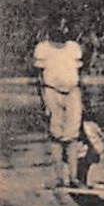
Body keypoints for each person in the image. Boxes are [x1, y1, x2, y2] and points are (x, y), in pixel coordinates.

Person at [33, 18, 84, 186]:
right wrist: (44, 103)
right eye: (60, 25)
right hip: (52, 92)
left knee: (72, 136)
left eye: (65, 25)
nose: (63, 28)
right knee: (56, 136)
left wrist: (83, 100)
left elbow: (80, 75)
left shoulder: (73, 48)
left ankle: (73, 177)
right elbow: (39, 79)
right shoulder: (43, 48)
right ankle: (59, 179)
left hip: (73, 92)